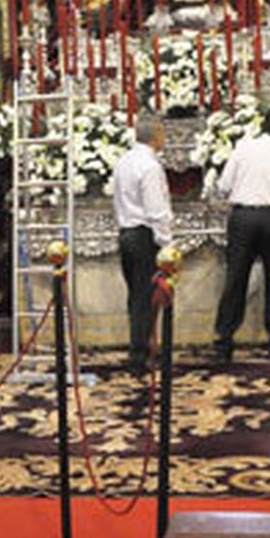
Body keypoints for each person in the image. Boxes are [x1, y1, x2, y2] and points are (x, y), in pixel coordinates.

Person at [212, 106, 270, 364]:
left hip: (244, 218)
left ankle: (224, 343)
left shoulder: (244, 147)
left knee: (235, 280)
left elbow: (223, 185)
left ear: (263, 124)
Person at [111, 112, 174, 372]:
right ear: (156, 136)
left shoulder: (124, 161)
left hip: (127, 232)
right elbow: (156, 209)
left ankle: (143, 346)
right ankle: (139, 354)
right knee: (146, 297)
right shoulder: (149, 166)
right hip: (144, 235)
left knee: (136, 296)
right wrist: (166, 243)